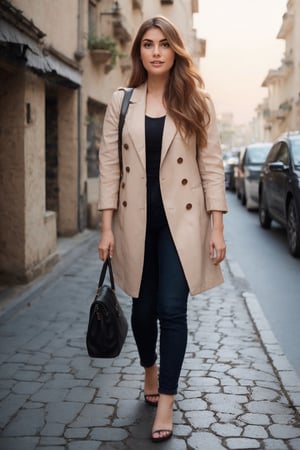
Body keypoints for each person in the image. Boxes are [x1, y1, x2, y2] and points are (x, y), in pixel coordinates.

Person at [98, 15, 227, 443]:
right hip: (135, 221)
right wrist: (106, 227)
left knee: (172, 310)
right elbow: (110, 166)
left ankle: (166, 400)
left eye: (164, 44)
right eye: (148, 44)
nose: (156, 52)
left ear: (175, 51)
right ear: (139, 52)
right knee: (142, 310)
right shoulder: (122, 101)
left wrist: (216, 227)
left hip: (181, 224)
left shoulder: (196, 100)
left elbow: (211, 167)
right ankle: (149, 367)